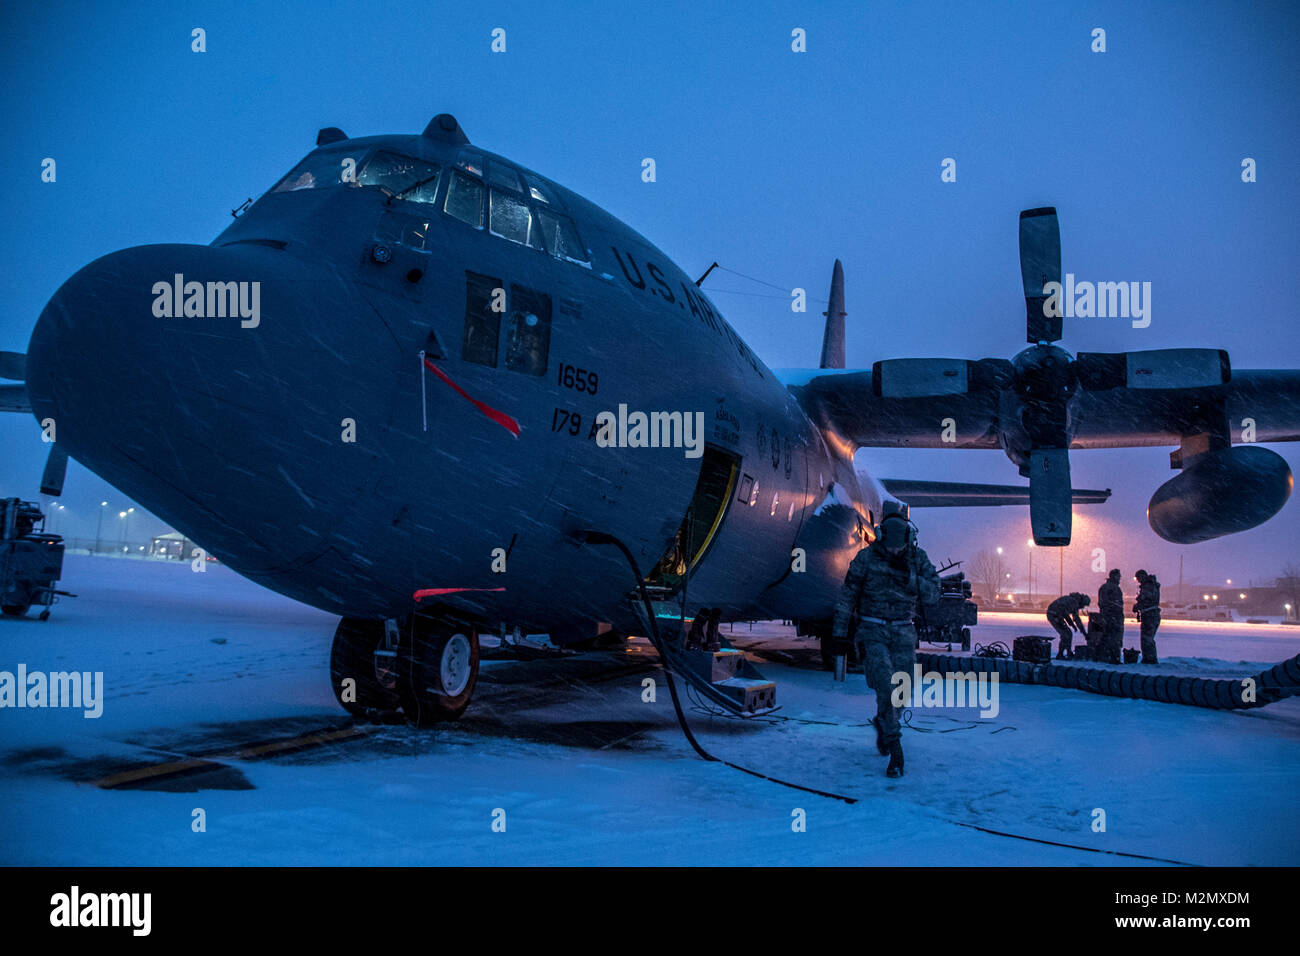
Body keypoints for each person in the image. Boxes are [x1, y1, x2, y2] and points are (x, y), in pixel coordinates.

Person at [831, 502, 939, 778]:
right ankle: (895, 749)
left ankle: (884, 722)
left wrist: (911, 577)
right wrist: (839, 634)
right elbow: (847, 597)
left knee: (901, 691)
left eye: (898, 545)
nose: (893, 550)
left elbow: (934, 594)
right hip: (873, 630)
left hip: (904, 631)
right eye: (889, 545)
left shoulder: (917, 559)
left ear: (908, 538)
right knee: (885, 685)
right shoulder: (865, 560)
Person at [1046, 592, 1090, 659]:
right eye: (1083, 605)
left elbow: (1066, 614)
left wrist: (1072, 625)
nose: (1082, 607)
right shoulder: (1074, 602)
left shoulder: (1072, 600)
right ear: (1082, 602)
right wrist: (1084, 633)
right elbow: (1075, 618)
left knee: (1067, 634)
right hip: (1055, 615)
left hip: (1055, 614)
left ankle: (1064, 653)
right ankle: (1062, 654)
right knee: (1066, 634)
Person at [1134, 569, 1162, 664]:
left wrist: (1138, 606)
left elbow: (1146, 599)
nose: (1138, 581)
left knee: (1147, 638)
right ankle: (1149, 658)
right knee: (1147, 638)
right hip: (1149, 615)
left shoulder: (1148, 586)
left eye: (1138, 578)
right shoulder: (1150, 585)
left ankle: (1150, 659)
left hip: (1150, 615)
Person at [1097, 569, 1125, 664]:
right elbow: (1111, 604)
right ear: (1114, 576)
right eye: (1118, 576)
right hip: (1113, 616)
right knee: (1115, 637)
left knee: (1107, 636)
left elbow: (1101, 603)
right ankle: (1114, 658)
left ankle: (1105, 656)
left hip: (1108, 616)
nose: (1120, 578)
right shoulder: (1113, 588)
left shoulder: (1104, 587)